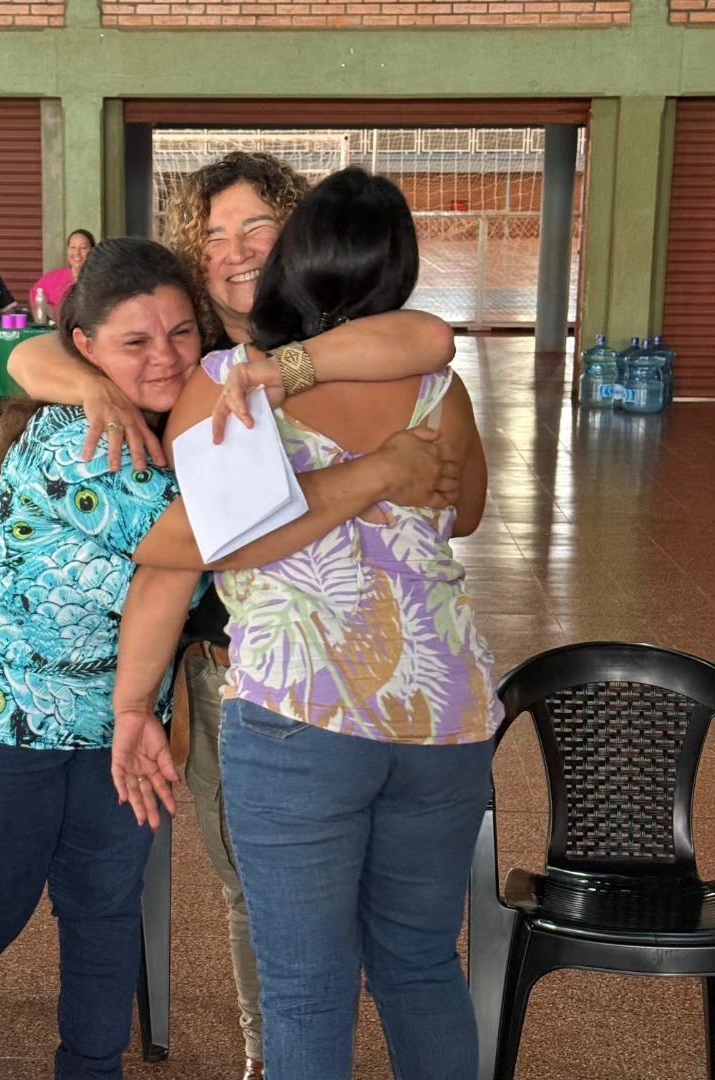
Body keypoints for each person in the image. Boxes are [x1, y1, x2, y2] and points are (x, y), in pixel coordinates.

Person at [0, 236, 460, 1080]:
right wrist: (379, 471)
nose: (166, 358)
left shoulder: (194, 424)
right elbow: (211, 539)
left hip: (117, 717)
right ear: (85, 348)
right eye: (135, 342)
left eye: (181, 334)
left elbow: (427, 339)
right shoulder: (79, 442)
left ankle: (93, 1069)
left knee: (106, 909)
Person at [111, 167, 504, 1080]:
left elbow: (198, 547)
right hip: (443, 716)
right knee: (417, 966)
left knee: (307, 989)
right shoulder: (438, 388)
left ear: (293, 259)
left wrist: (132, 705)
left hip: (301, 715)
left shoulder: (227, 386)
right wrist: (383, 470)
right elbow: (471, 511)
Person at [29, 229, 96, 318]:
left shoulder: (100, 279)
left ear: (93, 251)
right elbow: (35, 295)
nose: (77, 253)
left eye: (83, 248)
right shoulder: (54, 278)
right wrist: (46, 319)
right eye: (72, 247)